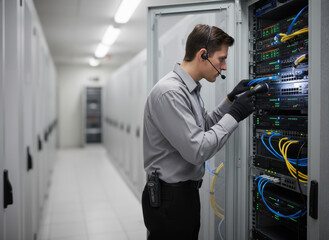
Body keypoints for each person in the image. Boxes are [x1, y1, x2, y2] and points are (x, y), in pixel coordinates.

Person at [142, 24, 254, 240]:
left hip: (182, 195)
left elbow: (203, 127)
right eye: (221, 59)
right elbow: (197, 149)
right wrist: (235, 115)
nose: (224, 67)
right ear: (203, 55)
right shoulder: (170, 92)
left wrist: (230, 101)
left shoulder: (189, 89)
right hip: (170, 199)